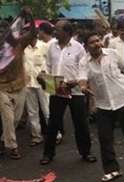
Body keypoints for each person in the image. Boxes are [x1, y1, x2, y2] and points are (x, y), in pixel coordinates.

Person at [79, 32, 124, 181]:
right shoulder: (84, 62)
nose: (97, 44)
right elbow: (82, 78)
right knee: (105, 137)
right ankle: (112, 169)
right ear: (86, 46)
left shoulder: (113, 54)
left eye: (98, 40)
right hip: (103, 105)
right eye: (92, 42)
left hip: (123, 100)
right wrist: (83, 87)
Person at [40, 20, 96, 165]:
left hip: (75, 91)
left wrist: (76, 81)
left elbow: (84, 69)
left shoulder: (79, 48)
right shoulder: (51, 46)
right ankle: (48, 154)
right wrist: (43, 75)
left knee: (81, 124)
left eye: (57, 29)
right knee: (53, 123)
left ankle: (86, 152)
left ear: (67, 32)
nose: (54, 32)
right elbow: (47, 65)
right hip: (56, 89)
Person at [0, 7, 36, 159]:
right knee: (8, 118)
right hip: (2, 88)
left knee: (16, 119)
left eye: (3, 31)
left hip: (20, 85)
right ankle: (12, 146)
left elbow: (33, 34)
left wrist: (30, 17)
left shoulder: (19, 43)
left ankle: (3, 140)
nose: (1, 34)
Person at [24, 34, 49, 146]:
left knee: (47, 109)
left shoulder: (44, 46)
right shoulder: (23, 47)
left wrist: (45, 72)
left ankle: (56, 134)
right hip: (28, 83)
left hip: (43, 82)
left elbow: (50, 63)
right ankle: (36, 136)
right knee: (32, 112)